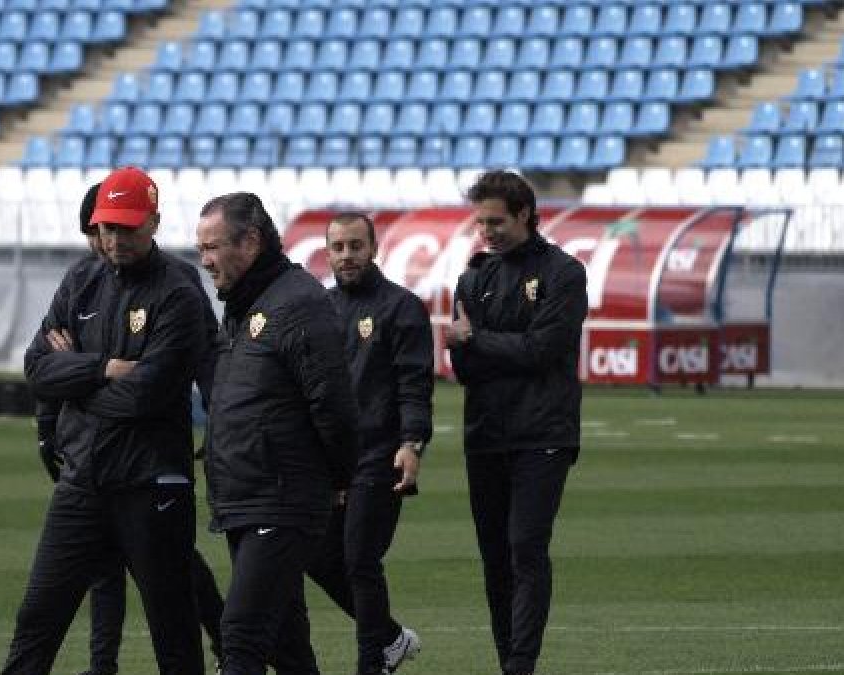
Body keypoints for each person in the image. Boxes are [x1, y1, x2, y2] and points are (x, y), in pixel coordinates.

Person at [0, 167, 209, 675]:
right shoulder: (82, 279)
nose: (114, 239)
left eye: (127, 227)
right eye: (107, 227)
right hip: (83, 484)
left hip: (151, 483)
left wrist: (74, 386)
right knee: (37, 618)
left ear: (154, 222)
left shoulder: (178, 292)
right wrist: (102, 370)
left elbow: (144, 397)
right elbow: (35, 366)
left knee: (174, 631)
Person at [196, 192, 358, 675]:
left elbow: (334, 404)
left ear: (249, 242)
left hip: (282, 496)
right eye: (200, 249)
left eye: (212, 247)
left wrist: (338, 478)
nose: (204, 261)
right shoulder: (244, 304)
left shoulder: (298, 302)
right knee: (287, 645)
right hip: (245, 496)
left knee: (241, 638)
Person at [444, 171, 587, 675]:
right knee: (495, 558)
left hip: (543, 433)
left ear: (525, 213)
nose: (487, 231)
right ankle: (508, 659)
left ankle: (521, 663)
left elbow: (542, 351)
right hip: (484, 433)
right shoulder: (472, 276)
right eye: (481, 221)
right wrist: (471, 348)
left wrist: (476, 341)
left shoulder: (564, 273)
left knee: (526, 546)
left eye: (497, 221)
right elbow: (463, 368)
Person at [304, 212, 433, 675]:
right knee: (317, 557)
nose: (346, 256)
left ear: (372, 248)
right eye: (338, 247)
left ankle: (371, 664)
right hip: (329, 458)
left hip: (379, 454)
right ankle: (390, 637)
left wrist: (412, 442)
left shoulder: (401, 307)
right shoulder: (318, 308)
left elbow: (414, 384)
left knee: (360, 558)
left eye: (355, 246)